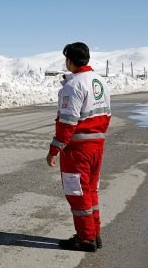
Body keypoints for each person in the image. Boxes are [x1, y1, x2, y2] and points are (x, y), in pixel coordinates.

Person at [46, 42, 111, 252]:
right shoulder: (99, 81)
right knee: (90, 191)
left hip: (78, 150)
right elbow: (106, 115)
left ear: (69, 60)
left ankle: (85, 239)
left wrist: (54, 149)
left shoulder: (73, 86)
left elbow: (66, 124)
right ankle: (94, 233)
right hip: (96, 146)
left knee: (77, 194)